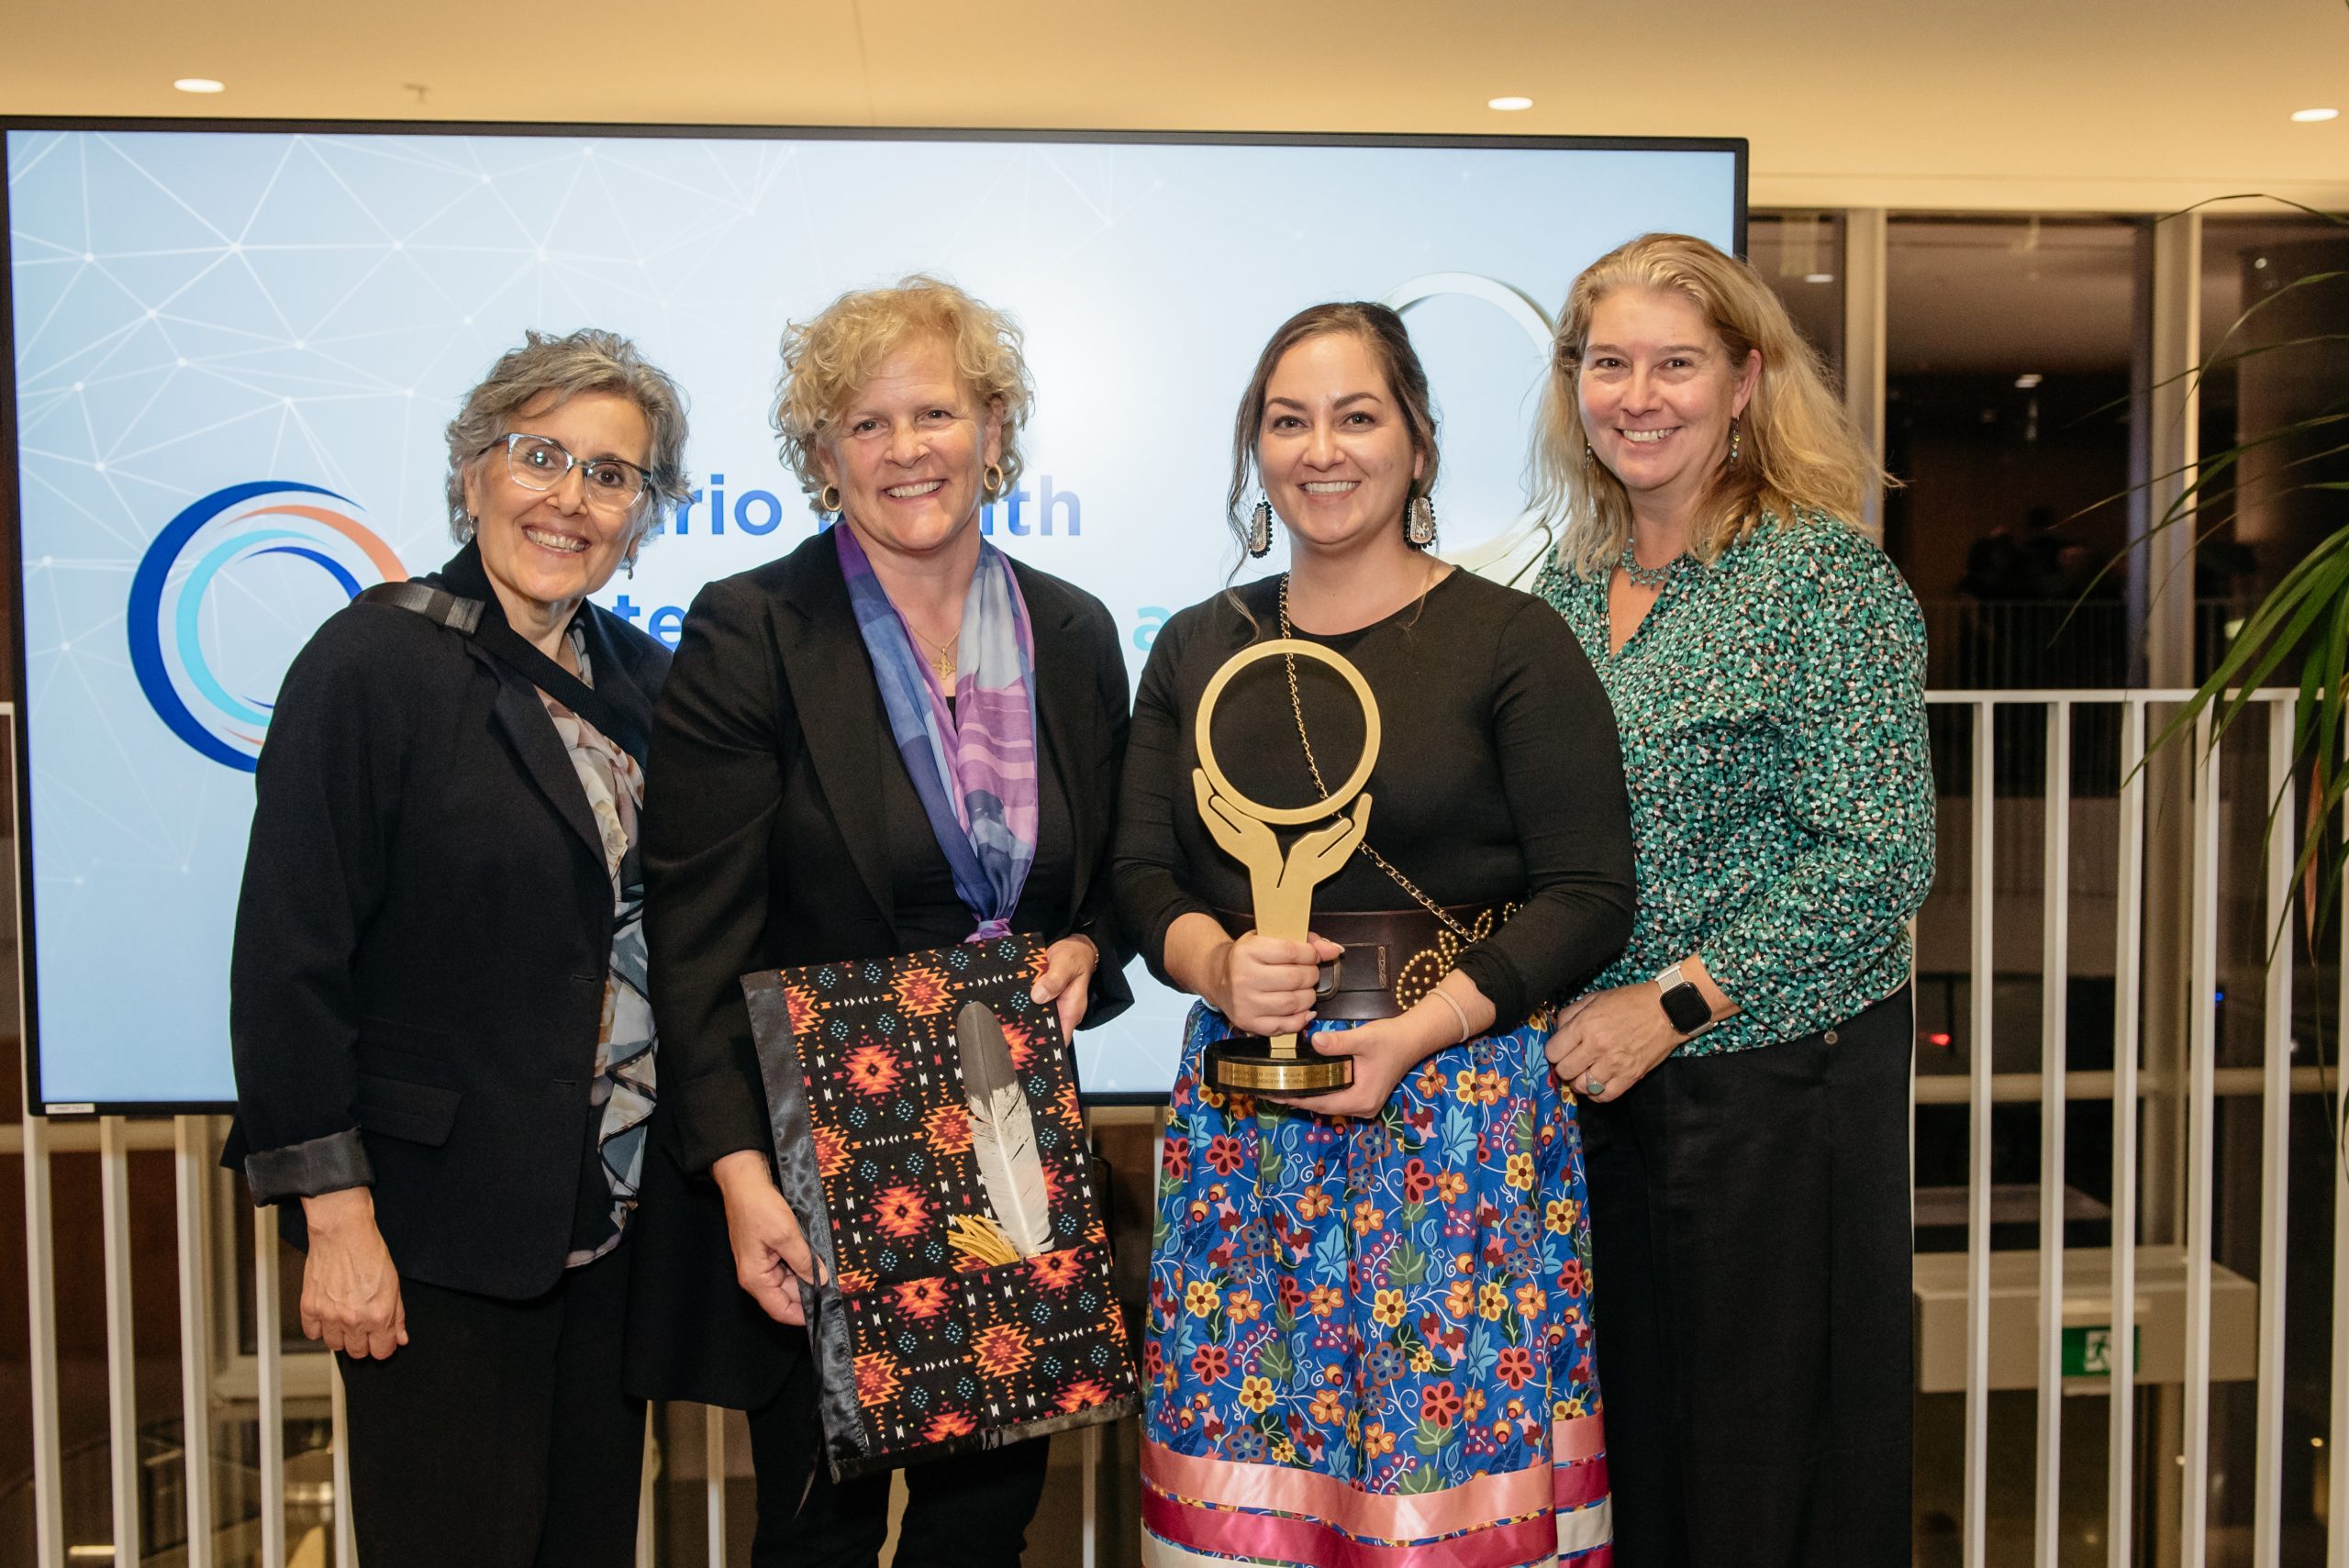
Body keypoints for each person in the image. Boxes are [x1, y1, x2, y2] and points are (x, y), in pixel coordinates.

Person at [623, 275, 1132, 1568]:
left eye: (936, 413)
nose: (907, 449)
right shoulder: (752, 632)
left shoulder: (1071, 631)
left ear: (995, 428)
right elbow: (698, 931)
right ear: (820, 456)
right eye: (866, 424)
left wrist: (1090, 943)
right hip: (818, 1150)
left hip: (1013, 1134)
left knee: (985, 1523)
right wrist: (740, 1169)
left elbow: (1126, 865)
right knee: (820, 1529)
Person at [1118, 302, 1636, 1567]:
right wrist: (1217, 963)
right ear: (1257, 449)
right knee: (1249, 1514)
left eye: (1358, 415)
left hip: (1457, 1124)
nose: (1322, 448)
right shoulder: (1199, 645)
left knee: (1448, 1519)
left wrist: (1414, 1032)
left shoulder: (1514, 642)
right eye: (1288, 420)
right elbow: (1138, 870)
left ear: (1418, 442)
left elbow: (1590, 892)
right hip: (1250, 1129)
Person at [225, 328, 692, 1566]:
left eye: (611, 473)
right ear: (475, 467)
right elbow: (289, 958)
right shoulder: (374, 661)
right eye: (541, 456)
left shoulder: (647, 682)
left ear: (641, 511)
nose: (569, 498)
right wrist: (335, 1215)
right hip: (436, 1232)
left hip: (610, 1220)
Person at [1528, 231, 1936, 1566]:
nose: (1637, 395)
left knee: (1768, 1483)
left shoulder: (1826, 580)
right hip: (1601, 1100)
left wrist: (1674, 1000)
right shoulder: (1568, 594)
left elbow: (1879, 855)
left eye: (1677, 364)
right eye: (1609, 363)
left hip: (1773, 1097)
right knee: (1630, 1473)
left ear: (1747, 380)